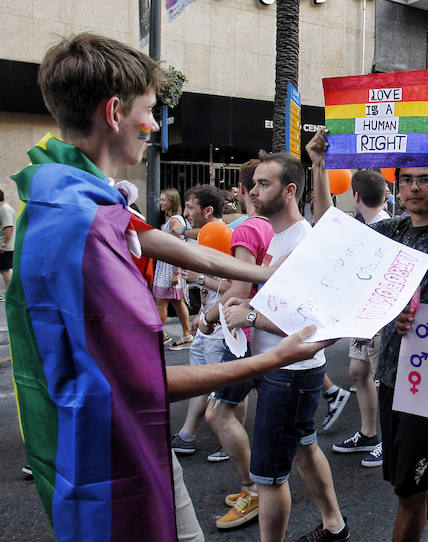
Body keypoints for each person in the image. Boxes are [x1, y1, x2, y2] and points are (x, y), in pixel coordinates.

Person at [9, 32, 331, 542]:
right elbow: (143, 382)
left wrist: (268, 275)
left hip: (118, 439)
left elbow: (169, 244)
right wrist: (275, 357)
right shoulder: (84, 225)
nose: (155, 125)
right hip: (112, 456)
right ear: (115, 112)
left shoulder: (67, 188)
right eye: (150, 109)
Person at [308, 127, 428, 542]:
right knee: (408, 480)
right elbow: (331, 230)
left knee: (409, 493)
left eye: (425, 179)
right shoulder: (393, 230)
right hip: (393, 373)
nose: (415, 187)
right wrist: (320, 164)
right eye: (407, 180)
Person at [205, 152, 348, 542]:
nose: (252, 191)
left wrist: (249, 317)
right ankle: (335, 525)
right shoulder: (278, 236)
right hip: (277, 365)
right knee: (303, 447)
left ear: (288, 191)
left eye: (262, 184)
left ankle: (330, 526)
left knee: (268, 477)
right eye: (253, 184)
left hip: (289, 372)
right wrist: (241, 304)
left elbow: (310, 323)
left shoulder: (302, 242)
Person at [202, 159, 277, 523]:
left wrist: (207, 318)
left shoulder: (247, 230)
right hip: (260, 335)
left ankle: (253, 489)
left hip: (244, 334)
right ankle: (260, 486)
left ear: (242, 190)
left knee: (217, 412)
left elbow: (241, 289)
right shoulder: (270, 227)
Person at [331, 170, 391, 468]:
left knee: (386, 381)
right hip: (363, 318)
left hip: (378, 320)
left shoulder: (385, 228)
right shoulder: (362, 226)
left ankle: (388, 442)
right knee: (358, 370)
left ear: (355, 196)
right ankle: (368, 433)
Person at [169, 184, 231, 458]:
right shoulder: (204, 236)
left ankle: (230, 440)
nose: (185, 213)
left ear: (207, 211)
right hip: (206, 319)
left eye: (189, 207)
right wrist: (200, 312)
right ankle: (187, 435)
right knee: (200, 380)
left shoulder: (223, 235)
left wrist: (199, 279)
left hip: (221, 325)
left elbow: (234, 286)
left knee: (223, 386)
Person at [153, 187, 193, 349]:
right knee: (176, 302)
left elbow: (178, 246)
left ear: (171, 201)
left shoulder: (175, 220)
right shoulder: (173, 219)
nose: (160, 202)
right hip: (168, 265)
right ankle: (186, 334)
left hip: (170, 266)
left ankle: (159, 335)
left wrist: (176, 272)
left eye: (163, 199)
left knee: (161, 302)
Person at [0, 189, 15, 300]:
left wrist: (3, 245)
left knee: (6, 270)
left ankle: (10, 294)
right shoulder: (2, 209)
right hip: (3, 245)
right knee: (4, 269)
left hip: (5, 247)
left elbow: (9, 227)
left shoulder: (5, 210)